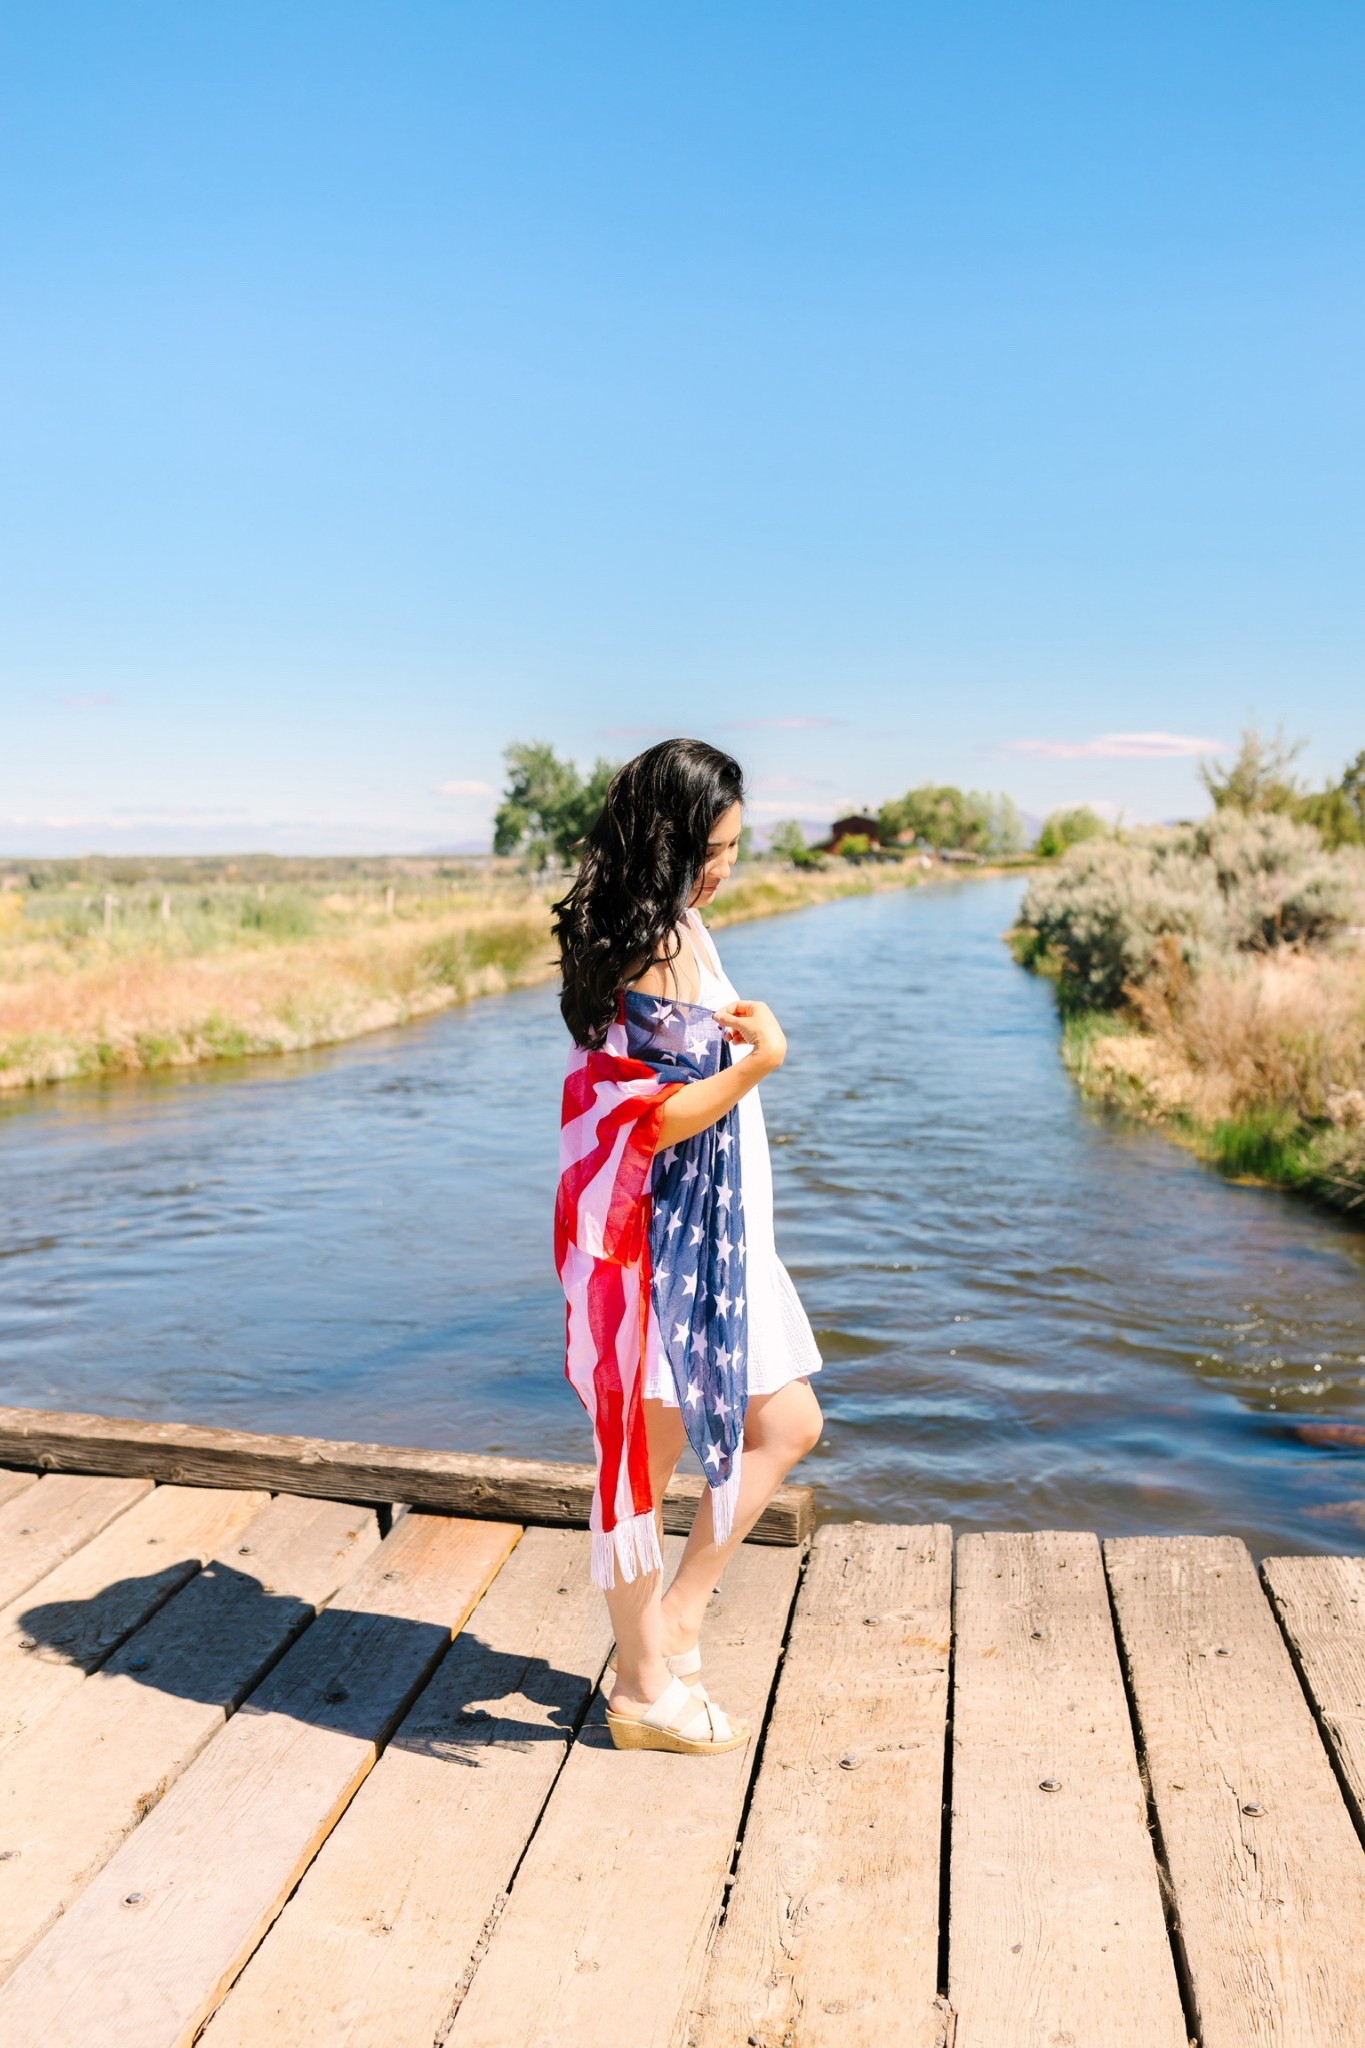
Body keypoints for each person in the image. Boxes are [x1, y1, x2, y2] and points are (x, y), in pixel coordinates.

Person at [553, 737, 823, 1755]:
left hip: (710, 1233)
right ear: (668, 842)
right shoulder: (656, 947)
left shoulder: (671, 923)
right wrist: (765, 1059)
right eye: (713, 847)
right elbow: (652, 1119)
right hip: (664, 1246)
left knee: (787, 1420)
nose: (726, 866)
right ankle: (639, 1684)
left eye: (736, 846)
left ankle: (676, 1619)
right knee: (640, 1469)